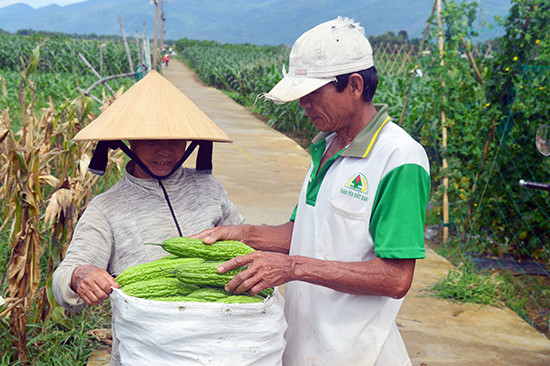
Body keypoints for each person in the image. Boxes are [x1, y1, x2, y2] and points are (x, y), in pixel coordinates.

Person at [192, 17, 430, 365]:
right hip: (304, 347)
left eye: (312, 94)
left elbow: (396, 278)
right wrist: (242, 235)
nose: (303, 105)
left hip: (358, 353)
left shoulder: (398, 158)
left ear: (354, 86)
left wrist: (292, 268)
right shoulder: (326, 146)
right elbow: (304, 233)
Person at [52, 70, 244, 365]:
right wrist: (78, 276)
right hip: (146, 350)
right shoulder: (107, 208)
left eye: (175, 139)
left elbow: (244, 240)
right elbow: (64, 277)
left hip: (218, 343)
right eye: (152, 139)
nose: (165, 150)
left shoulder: (209, 188)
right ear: (128, 141)